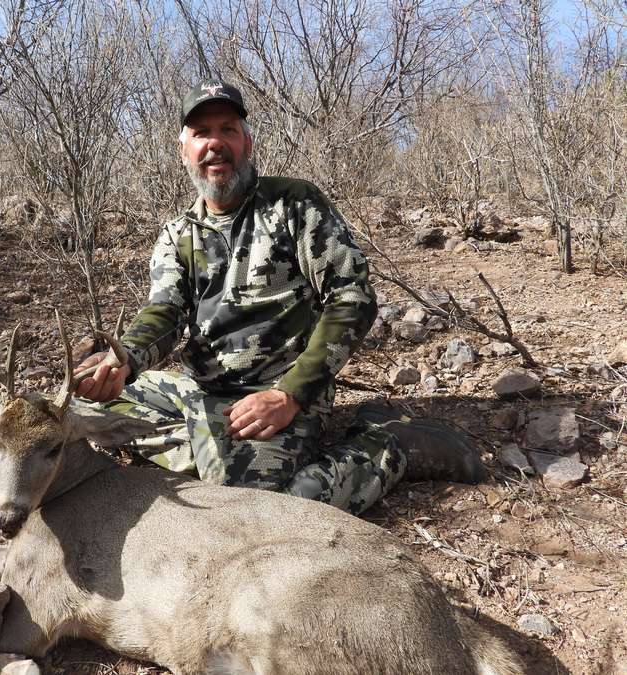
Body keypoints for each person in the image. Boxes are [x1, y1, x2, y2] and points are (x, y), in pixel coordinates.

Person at [74, 80, 483, 514]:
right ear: (184, 151)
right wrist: (125, 360)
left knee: (265, 514)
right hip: (200, 389)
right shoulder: (177, 234)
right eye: (201, 133)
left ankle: (387, 446)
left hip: (277, 391)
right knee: (82, 408)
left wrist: (290, 394)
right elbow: (164, 311)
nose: (215, 144)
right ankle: (211, 447)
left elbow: (352, 297)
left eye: (228, 130)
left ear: (247, 143)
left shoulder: (294, 203)